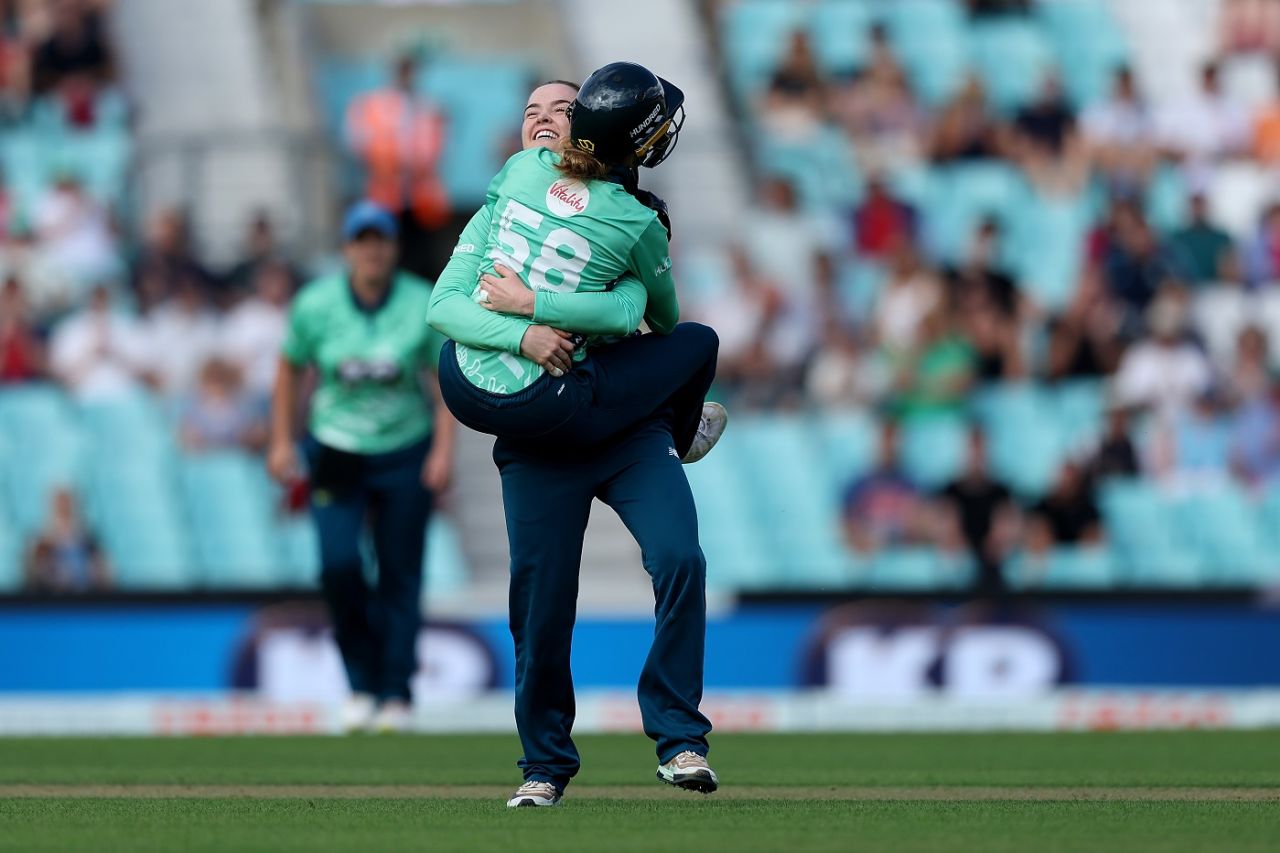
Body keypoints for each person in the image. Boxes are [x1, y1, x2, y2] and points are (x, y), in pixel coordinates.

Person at [427, 66, 722, 807]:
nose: (543, 120)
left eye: (562, 108)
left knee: (680, 556)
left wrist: (553, 303)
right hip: (544, 429)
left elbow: (649, 317)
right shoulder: (514, 188)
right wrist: (530, 329)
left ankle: (680, 739)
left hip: (622, 422)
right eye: (531, 110)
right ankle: (543, 764)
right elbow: (449, 308)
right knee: (541, 599)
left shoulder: (629, 214)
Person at [267, 200, 456, 734]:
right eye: (362, 240)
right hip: (335, 449)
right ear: (347, 248)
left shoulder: (423, 303)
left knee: (401, 575)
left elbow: (443, 382)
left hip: (405, 449)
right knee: (337, 566)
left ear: (393, 247)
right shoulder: (316, 304)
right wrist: (281, 441)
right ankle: (360, 684)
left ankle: (395, 691)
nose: (372, 251)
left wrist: (443, 452)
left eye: (381, 240)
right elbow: (289, 367)